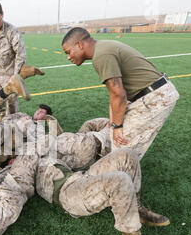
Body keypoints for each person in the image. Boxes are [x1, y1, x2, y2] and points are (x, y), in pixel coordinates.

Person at [36, 148, 181, 235]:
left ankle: (135, 208)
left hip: (80, 176)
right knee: (119, 180)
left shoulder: (46, 144)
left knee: (127, 154)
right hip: (67, 194)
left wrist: (50, 122)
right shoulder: (21, 160)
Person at [62, 27, 179, 160]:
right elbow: (114, 92)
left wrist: (117, 126)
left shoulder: (101, 55)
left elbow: (119, 95)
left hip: (155, 98)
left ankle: (120, 178)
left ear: (79, 44)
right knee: (117, 143)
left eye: (69, 52)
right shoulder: (102, 48)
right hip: (151, 93)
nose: (69, 57)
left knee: (120, 153)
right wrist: (113, 122)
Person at [0, 1, 44, 117]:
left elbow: (20, 54)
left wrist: (15, 76)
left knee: (12, 111)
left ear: (2, 14)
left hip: (11, 75)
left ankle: (14, 130)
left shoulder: (12, 31)